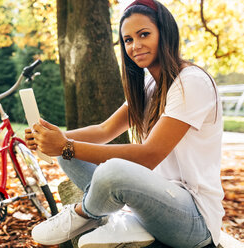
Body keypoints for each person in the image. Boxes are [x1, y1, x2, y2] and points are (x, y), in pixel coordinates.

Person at [24, 0, 224, 247]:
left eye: (144, 34)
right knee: (70, 154)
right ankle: (112, 217)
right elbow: (104, 130)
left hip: (194, 220)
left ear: (165, 33)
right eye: (128, 40)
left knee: (111, 169)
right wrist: (53, 138)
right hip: (151, 201)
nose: (135, 46)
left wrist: (66, 145)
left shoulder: (191, 82)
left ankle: (85, 213)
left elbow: (149, 155)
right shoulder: (149, 85)